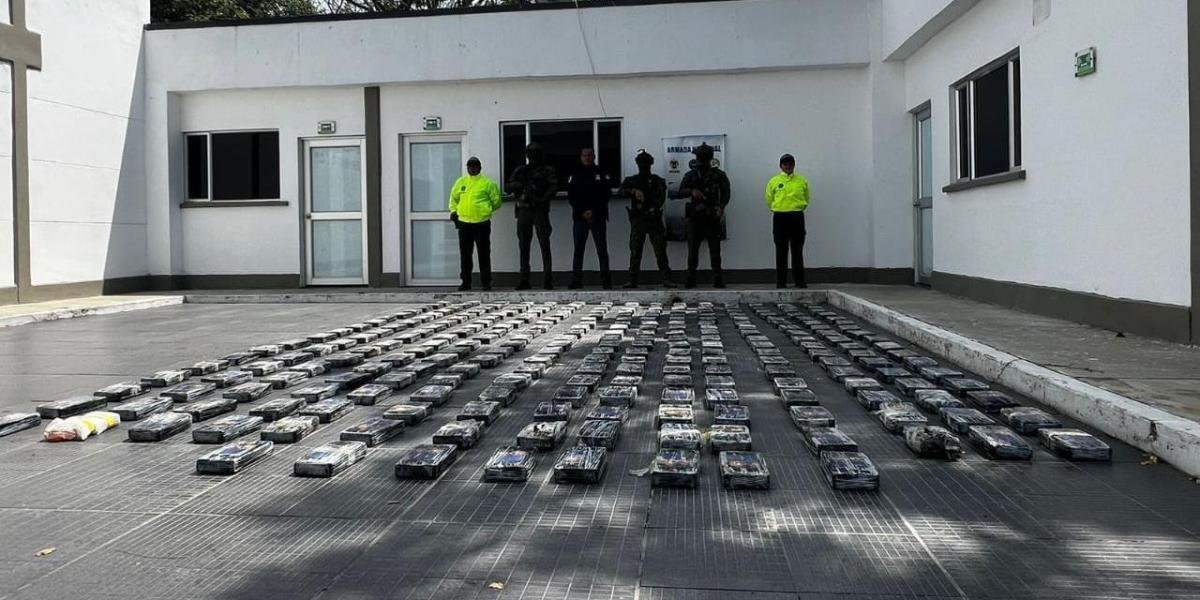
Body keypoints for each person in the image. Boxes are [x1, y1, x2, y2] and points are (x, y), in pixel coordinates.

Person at [674, 142, 731, 288]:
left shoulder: (719, 175)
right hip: (695, 217)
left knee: (715, 250)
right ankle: (690, 278)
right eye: (700, 157)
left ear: (710, 158)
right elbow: (679, 192)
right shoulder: (691, 175)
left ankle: (717, 278)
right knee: (693, 250)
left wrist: (721, 207)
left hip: (712, 216)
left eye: (704, 158)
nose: (701, 161)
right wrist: (691, 191)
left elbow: (726, 193)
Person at [618, 150, 675, 288]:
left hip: (654, 220)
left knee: (660, 251)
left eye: (646, 164)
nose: (644, 167)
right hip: (639, 220)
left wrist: (653, 208)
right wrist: (633, 191)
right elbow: (621, 191)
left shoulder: (657, 181)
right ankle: (633, 279)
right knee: (635, 251)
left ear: (650, 164)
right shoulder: (632, 180)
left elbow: (661, 199)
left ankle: (666, 278)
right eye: (641, 164)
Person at [506, 142, 558, 290]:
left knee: (544, 245)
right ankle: (524, 279)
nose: (532, 155)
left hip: (539, 210)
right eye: (530, 153)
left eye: (535, 152)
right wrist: (519, 187)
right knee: (524, 246)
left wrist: (540, 199)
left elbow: (553, 188)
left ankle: (548, 279)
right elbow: (508, 187)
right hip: (524, 210)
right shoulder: (521, 170)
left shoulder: (547, 170)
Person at [448, 156, 502, 291]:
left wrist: (486, 210)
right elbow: (453, 199)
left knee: (484, 254)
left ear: (479, 168)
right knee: (465, 255)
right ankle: (466, 282)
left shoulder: (488, 183)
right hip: (464, 223)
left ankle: (486, 283)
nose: (472, 168)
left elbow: (497, 201)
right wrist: (454, 211)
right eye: (469, 166)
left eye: (474, 166)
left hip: (481, 223)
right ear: (467, 168)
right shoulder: (461, 182)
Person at [568, 147, 613, 289]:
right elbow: (571, 196)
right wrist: (583, 211)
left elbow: (606, 194)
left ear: (594, 156)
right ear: (581, 157)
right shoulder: (575, 173)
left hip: (597, 217)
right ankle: (576, 280)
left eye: (589, 155)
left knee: (601, 249)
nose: (587, 157)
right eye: (584, 155)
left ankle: (606, 281)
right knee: (578, 250)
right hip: (580, 217)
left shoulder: (601, 172)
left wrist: (593, 211)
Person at [764, 153, 810, 288]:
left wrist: (796, 208)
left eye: (790, 164)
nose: (788, 166)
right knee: (781, 250)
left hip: (797, 217)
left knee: (797, 250)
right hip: (780, 218)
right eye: (785, 164)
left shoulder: (802, 181)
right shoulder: (774, 181)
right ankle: (781, 282)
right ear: (781, 166)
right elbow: (769, 199)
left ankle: (799, 281)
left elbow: (806, 198)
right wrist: (779, 209)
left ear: (794, 165)